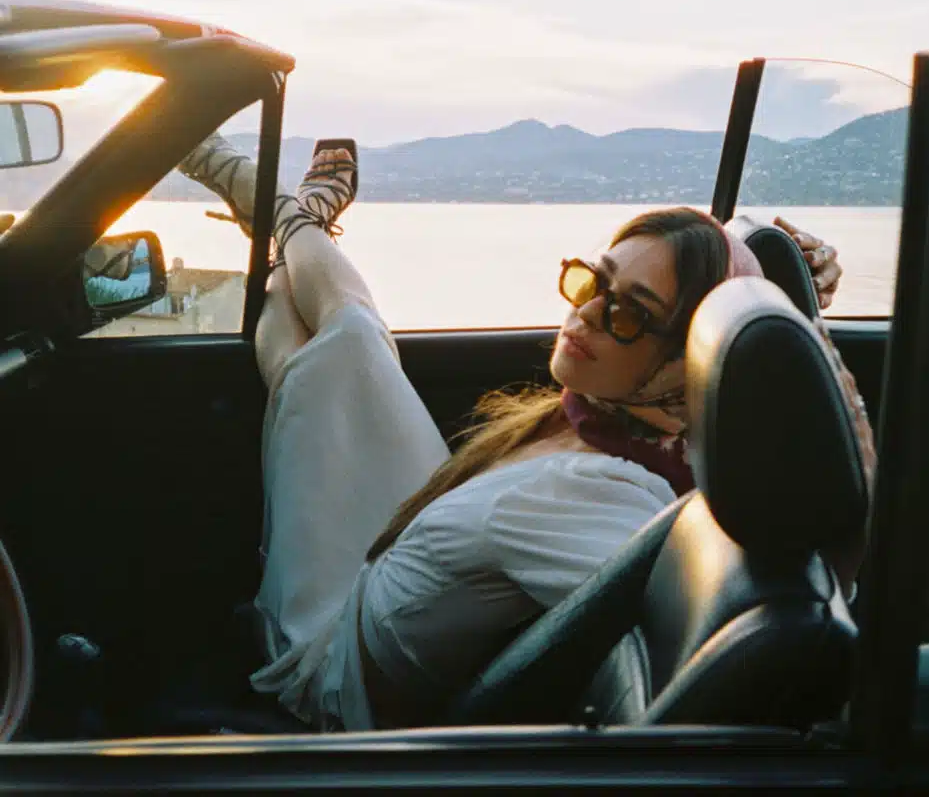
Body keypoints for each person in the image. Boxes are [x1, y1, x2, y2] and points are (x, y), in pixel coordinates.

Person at [178, 133, 871, 732]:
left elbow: (741, 628)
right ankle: (293, 218)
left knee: (306, 366)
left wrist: (817, 381)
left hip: (336, 656)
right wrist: (791, 289)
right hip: (423, 530)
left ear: (687, 365)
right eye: (594, 283)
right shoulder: (639, 426)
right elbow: (716, 289)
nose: (589, 314)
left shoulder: (608, 502)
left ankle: (279, 211)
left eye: (630, 313)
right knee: (353, 335)